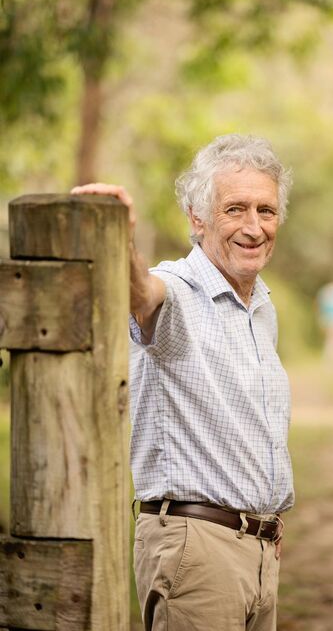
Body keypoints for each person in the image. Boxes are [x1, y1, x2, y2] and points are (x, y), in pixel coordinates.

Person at [71, 134, 295, 631]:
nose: (254, 227)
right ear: (197, 218)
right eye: (235, 209)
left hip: (258, 551)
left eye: (267, 210)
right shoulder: (178, 290)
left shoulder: (260, 308)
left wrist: (263, 520)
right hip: (197, 549)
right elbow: (141, 293)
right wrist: (119, 234)